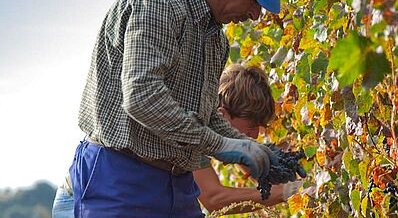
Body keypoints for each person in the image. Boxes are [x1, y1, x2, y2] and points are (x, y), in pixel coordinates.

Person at [65, 0, 295, 217]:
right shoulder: (159, 3)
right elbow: (142, 98)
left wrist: (249, 148)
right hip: (120, 177)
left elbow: (208, 114)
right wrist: (222, 144)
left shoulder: (215, 39)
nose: (255, 15)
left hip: (178, 184)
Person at [52, 64, 302, 217]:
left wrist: (277, 171)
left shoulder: (212, 114)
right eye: (251, 127)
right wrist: (286, 192)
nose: (255, 136)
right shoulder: (195, 122)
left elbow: (251, 166)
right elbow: (213, 198)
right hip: (81, 201)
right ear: (223, 115)